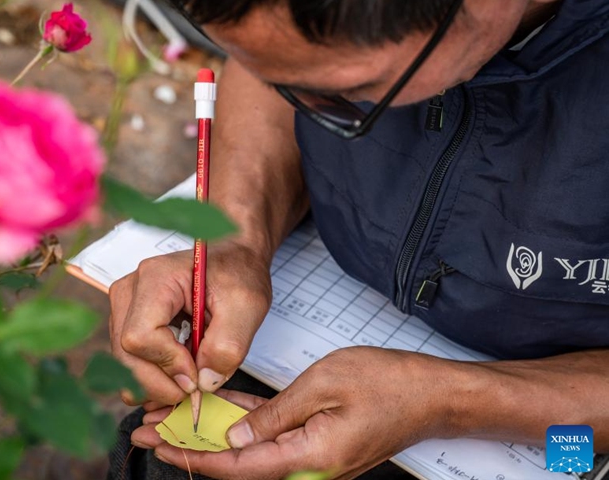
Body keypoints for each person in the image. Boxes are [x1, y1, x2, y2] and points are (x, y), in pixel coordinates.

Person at [106, 0, 609, 478]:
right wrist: (236, 235)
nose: (301, 102)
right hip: (320, 333)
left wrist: (451, 402)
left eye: (349, 93)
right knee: (162, 463)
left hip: (570, 418)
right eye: (276, 77)